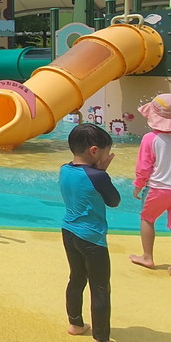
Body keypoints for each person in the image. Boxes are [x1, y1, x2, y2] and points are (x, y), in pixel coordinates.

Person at [59, 124, 119, 342]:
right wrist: (102, 172)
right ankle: (101, 337)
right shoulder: (98, 176)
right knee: (100, 287)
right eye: (106, 152)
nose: (107, 157)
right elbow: (114, 201)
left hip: (69, 232)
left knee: (76, 278)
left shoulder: (64, 169)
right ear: (94, 151)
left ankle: (75, 323)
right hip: (92, 239)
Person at [129, 94, 171, 272]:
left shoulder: (150, 138)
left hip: (157, 189)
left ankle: (147, 257)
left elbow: (144, 167)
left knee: (147, 219)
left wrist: (138, 186)